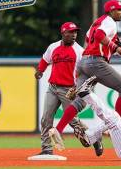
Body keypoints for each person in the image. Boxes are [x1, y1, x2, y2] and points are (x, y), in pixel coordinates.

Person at [51, 0, 121, 156]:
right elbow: (100, 35)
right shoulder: (109, 22)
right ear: (111, 11)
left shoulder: (97, 22)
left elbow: (90, 40)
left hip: (84, 62)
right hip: (96, 62)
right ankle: (111, 127)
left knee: (80, 101)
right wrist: (116, 48)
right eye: (119, 9)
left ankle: (58, 129)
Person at [35, 22, 91, 155]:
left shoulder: (79, 51)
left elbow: (84, 73)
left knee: (71, 120)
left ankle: (92, 137)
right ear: (63, 33)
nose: (73, 35)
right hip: (53, 88)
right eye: (70, 32)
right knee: (46, 118)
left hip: (69, 91)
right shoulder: (53, 47)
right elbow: (45, 60)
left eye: (75, 32)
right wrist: (40, 71)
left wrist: (78, 89)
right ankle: (46, 149)